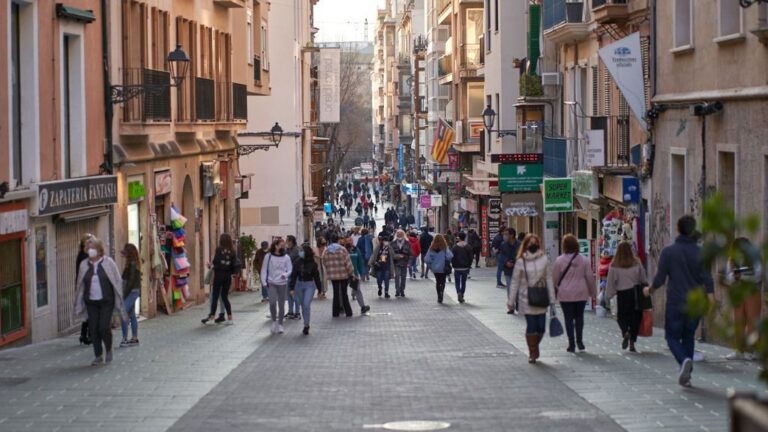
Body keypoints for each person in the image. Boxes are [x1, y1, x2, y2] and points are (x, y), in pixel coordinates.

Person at [643, 215, 715, 387]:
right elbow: (707, 277)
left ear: (678, 229)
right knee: (688, 335)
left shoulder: (669, 252)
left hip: (676, 301)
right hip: (695, 302)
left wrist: (649, 290)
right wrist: (711, 296)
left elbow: (660, 279)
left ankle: (683, 360)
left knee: (672, 336)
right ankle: (687, 375)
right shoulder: (701, 252)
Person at [74, 237, 126, 366]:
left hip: (106, 301)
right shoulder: (84, 265)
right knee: (93, 328)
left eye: (93, 248)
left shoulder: (108, 263)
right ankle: (98, 355)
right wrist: (79, 302)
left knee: (103, 327)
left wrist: (119, 297)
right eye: (89, 248)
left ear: (99, 249)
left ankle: (108, 349)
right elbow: (80, 284)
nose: (90, 250)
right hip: (91, 302)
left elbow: (117, 280)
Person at [508, 234, 556, 364]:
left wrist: (552, 299)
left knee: (541, 328)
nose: (532, 245)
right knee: (531, 326)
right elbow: (515, 282)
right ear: (526, 245)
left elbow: (549, 279)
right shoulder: (520, 261)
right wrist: (511, 301)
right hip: (526, 298)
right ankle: (532, 352)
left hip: (541, 298)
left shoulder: (544, 260)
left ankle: (535, 346)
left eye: (535, 242)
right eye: (530, 243)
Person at [553, 234, 596, 353]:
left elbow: (555, 279)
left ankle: (571, 343)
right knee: (579, 317)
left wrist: (554, 290)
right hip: (581, 293)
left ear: (564, 246)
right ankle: (580, 341)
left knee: (568, 318)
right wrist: (593, 292)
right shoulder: (584, 260)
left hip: (565, 294)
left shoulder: (559, 260)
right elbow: (589, 277)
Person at [722, 237, 763, 360]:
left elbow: (758, 275)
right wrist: (734, 277)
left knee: (753, 322)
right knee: (739, 322)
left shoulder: (755, 258)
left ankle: (753, 351)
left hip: (752, 292)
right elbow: (728, 276)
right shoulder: (732, 260)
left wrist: (742, 277)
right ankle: (739, 350)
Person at [605, 241, 646, 353]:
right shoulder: (637, 262)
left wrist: (608, 296)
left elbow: (610, 282)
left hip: (622, 295)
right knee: (636, 318)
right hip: (635, 293)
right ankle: (632, 343)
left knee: (621, 317)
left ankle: (625, 332)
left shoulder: (614, 264)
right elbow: (643, 278)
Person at [202, 234, 240, 326]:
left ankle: (212, 317)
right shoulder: (233, 251)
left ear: (221, 240)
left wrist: (210, 265)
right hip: (227, 276)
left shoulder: (219, 249)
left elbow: (216, 263)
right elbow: (233, 265)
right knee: (224, 297)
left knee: (215, 296)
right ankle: (230, 318)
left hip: (219, 276)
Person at [261, 239, 293, 334]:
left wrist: (285, 275)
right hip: (272, 282)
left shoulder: (286, 257)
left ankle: (280, 324)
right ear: (275, 245)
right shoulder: (269, 256)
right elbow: (264, 269)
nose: (283, 247)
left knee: (281, 304)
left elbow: (290, 269)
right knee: (272, 302)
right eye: (281, 245)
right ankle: (274, 321)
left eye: (284, 245)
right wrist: (264, 282)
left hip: (282, 283)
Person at [289, 244, 322, 335]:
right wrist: (291, 288)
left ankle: (306, 325)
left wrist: (320, 290)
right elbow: (293, 276)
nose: (300, 252)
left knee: (306, 304)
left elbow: (317, 277)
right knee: (303, 305)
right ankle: (306, 324)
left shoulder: (313, 264)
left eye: (301, 250)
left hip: (309, 286)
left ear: (306, 252)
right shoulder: (296, 262)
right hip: (299, 285)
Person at [324, 233, 357, 317]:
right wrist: (351, 273)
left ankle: (335, 312)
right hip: (343, 274)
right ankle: (348, 312)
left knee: (335, 293)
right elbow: (348, 263)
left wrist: (329, 270)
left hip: (333, 275)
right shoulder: (342, 249)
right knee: (344, 293)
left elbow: (324, 261)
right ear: (338, 240)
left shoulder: (327, 250)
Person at [119, 244, 141, 347]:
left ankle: (124, 339)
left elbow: (131, 280)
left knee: (123, 312)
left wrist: (124, 294)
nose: (123, 253)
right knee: (131, 314)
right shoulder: (132, 263)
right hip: (133, 291)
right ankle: (134, 338)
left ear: (129, 252)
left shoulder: (132, 263)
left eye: (125, 251)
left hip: (131, 291)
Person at [424, 234, 454, 304]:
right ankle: (441, 292)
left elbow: (426, 259)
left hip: (435, 268)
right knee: (443, 281)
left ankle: (439, 297)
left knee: (438, 281)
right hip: (443, 267)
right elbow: (450, 256)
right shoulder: (444, 248)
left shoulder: (431, 248)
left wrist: (431, 265)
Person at [345, 235, 371, 315]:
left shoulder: (356, 250)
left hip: (354, 274)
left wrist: (362, 273)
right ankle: (341, 306)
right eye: (348, 241)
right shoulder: (343, 250)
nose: (350, 242)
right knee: (342, 291)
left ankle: (363, 307)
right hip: (344, 274)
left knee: (358, 290)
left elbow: (360, 262)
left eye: (351, 240)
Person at [76, 233, 94, 345]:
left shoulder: (82, 255)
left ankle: (84, 335)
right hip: (87, 287)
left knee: (88, 313)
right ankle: (90, 335)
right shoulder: (84, 257)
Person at [500, 229, 521, 307]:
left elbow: (522, 255)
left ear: (511, 235)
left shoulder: (519, 244)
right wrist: (506, 262)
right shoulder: (503, 245)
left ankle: (518, 301)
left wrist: (515, 263)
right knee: (509, 288)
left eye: (506, 234)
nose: (504, 236)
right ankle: (511, 306)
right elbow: (501, 256)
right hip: (507, 269)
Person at [451, 232, 474, 303]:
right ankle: (462, 294)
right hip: (465, 267)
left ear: (459, 237)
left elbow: (452, 257)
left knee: (457, 282)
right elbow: (471, 258)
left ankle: (458, 292)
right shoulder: (468, 247)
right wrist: (469, 265)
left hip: (457, 267)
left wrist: (453, 264)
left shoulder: (455, 247)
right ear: (465, 237)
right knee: (463, 282)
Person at [370, 232, 395, 298]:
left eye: (387, 241)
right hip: (379, 267)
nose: (386, 242)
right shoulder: (378, 247)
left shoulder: (389, 248)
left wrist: (400, 256)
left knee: (386, 280)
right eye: (384, 241)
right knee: (379, 279)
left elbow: (393, 255)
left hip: (387, 267)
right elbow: (374, 255)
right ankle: (380, 288)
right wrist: (370, 263)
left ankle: (386, 292)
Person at [284, 236, 301, 320]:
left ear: (291, 241)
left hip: (295, 275)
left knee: (294, 294)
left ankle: (297, 312)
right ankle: (290, 312)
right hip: (289, 274)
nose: (286, 242)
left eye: (287, 241)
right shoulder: (287, 250)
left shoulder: (296, 250)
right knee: (289, 294)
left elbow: (288, 259)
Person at [391, 230, 412, 297]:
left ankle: (402, 290)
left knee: (403, 277)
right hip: (396, 263)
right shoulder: (393, 243)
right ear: (396, 235)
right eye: (398, 234)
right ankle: (397, 291)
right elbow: (391, 254)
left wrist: (409, 263)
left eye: (401, 234)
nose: (399, 235)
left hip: (405, 263)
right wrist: (397, 256)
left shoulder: (407, 243)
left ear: (403, 235)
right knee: (397, 276)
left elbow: (411, 254)